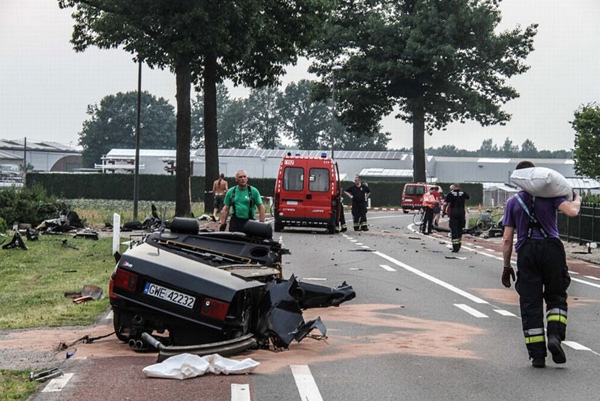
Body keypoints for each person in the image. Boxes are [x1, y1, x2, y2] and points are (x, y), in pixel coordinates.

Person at [501, 161, 581, 368]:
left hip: (527, 251)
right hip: (552, 249)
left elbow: (507, 239)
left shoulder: (513, 202)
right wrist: (577, 198)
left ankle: (537, 355)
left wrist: (506, 266)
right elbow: (572, 212)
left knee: (530, 303)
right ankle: (554, 335)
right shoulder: (552, 197)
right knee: (556, 296)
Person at [443, 183, 470, 252]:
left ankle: (455, 247)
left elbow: (445, 203)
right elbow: (468, 197)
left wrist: (444, 211)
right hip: (461, 213)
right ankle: (459, 244)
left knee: (454, 229)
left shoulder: (450, 194)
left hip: (454, 212)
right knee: (460, 229)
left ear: (453, 187)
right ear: (459, 187)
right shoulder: (463, 193)